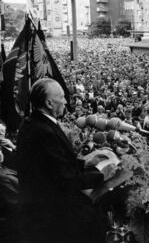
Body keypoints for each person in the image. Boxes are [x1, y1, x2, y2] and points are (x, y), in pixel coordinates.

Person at [17, 78, 112, 243]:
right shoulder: (43, 132)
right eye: (61, 97)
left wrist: (85, 163)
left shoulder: (37, 122)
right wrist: (102, 175)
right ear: (49, 102)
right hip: (52, 213)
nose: (66, 101)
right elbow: (65, 180)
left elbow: (55, 163)